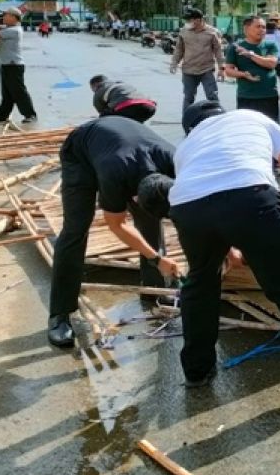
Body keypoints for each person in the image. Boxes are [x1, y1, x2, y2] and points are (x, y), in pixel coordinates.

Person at [139, 101, 280, 413]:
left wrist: (234, 242)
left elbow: (212, 201)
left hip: (187, 208)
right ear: (222, 114)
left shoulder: (185, 149)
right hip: (251, 195)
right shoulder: (250, 117)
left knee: (201, 283)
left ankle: (197, 372)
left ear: (192, 128)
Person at [46, 116, 180, 347]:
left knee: (150, 221)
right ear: (135, 198)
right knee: (75, 230)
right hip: (81, 153)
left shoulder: (175, 161)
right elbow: (116, 224)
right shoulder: (114, 174)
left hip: (123, 144)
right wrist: (157, 258)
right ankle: (60, 315)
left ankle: (153, 288)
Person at [0, 7, 38, 124]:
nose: (4, 17)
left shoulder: (15, 30)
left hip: (13, 65)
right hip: (6, 64)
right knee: (7, 94)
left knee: (19, 92)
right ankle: (2, 115)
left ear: (13, 17)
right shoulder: (9, 28)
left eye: (6, 15)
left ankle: (30, 114)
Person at [223, 15, 280, 121]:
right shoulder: (235, 47)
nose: (262, 30)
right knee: (247, 129)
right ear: (246, 29)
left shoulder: (270, 45)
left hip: (268, 95)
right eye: (258, 26)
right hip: (246, 96)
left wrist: (250, 55)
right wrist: (244, 74)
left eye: (264, 27)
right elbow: (228, 70)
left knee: (270, 130)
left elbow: (271, 63)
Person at [170, 8, 223, 109]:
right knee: (188, 98)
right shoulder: (184, 32)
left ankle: (217, 118)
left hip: (206, 70)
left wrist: (221, 68)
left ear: (198, 20)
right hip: (188, 71)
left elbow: (218, 51)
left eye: (189, 20)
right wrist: (174, 63)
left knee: (212, 96)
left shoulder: (212, 32)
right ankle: (186, 121)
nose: (187, 23)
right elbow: (179, 49)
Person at [89, 75, 157, 123]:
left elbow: (101, 111)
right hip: (150, 107)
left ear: (95, 85)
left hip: (129, 107)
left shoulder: (99, 90)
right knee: (136, 120)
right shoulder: (121, 84)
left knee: (104, 117)